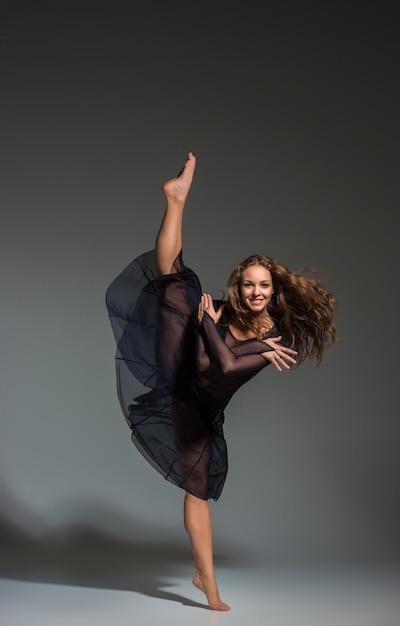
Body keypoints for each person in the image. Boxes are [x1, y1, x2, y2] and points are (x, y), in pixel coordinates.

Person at [106, 152, 337, 611]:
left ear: (275, 290)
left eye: (264, 286)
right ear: (239, 286)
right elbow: (212, 349)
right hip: (179, 366)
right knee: (173, 282)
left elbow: (228, 367)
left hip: (199, 405)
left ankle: (204, 579)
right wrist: (206, 322)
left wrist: (210, 326)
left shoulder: (278, 336)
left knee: (197, 491)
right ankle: (176, 200)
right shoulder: (223, 309)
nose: (256, 292)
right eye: (249, 284)